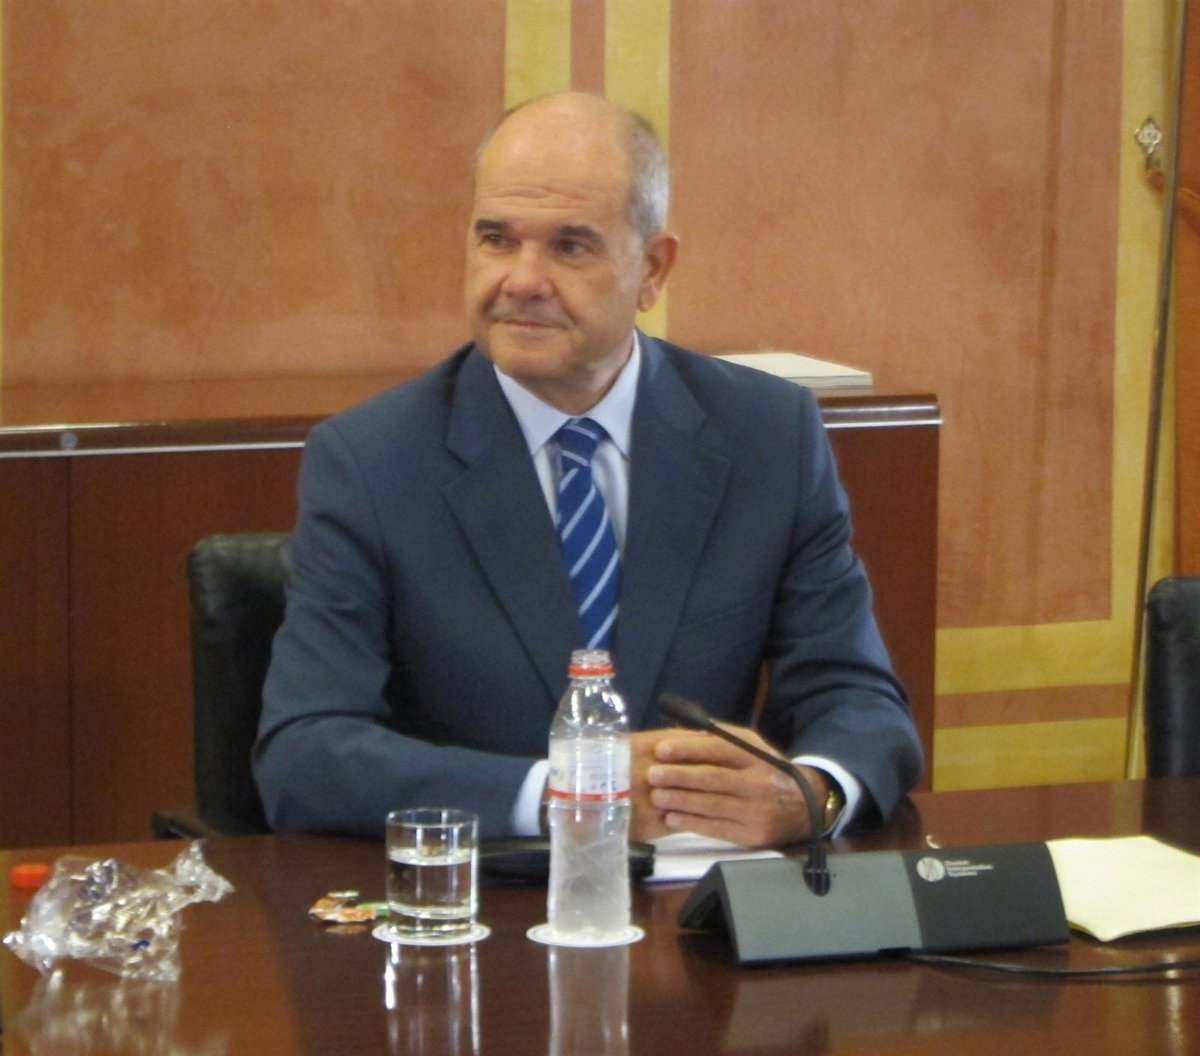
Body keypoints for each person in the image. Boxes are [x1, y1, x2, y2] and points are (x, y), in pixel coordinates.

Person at [254, 91, 922, 848]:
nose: (522, 280)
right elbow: (304, 753)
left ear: (654, 270)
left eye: (570, 247)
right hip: (487, 891)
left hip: (701, 895)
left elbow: (858, 696)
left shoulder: (767, 435)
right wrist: (568, 794)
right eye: (496, 239)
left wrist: (811, 794)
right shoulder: (372, 460)